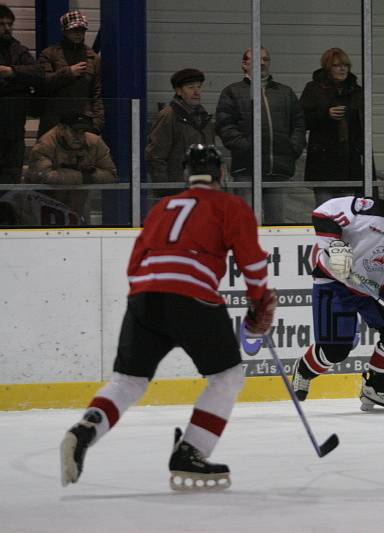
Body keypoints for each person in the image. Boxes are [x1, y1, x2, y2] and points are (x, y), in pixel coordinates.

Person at [59, 144, 278, 491]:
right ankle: (191, 452)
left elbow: (136, 260)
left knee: (128, 381)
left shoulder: (164, 205)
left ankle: (86, 428)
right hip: (192, 296)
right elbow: (252, 261)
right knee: (228, 377)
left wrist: (145, 299)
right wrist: (258, 303)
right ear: (220, 173)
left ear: (186, 174)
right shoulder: (230, 205)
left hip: (144, 295)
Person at [290, 176, 384, 412]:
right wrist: (335, 246)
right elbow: (324, 213)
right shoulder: (370, 211)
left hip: (368, 289)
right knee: (336, 350)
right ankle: (303, 371)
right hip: (333, 281)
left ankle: (375, 390)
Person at [216, 47, 305, 224]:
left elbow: (299, 124)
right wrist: (247, 149)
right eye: (257, 59)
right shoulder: (232, 92)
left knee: (277, 224)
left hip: (277, 169)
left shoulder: (285, 92)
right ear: (244, 64)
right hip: (246, 169)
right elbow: (225, 126)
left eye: (265, 59)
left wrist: (291, 149)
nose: (262, 63)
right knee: (244, 223)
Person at [299, 47, 364, 207]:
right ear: (328, 68)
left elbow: (362, 126)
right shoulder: (314, 89)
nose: (342, 69)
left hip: (349, 162)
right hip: (323, 162)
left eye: (345, 65)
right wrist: (325, 115)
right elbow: (301, 120)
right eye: (337, 65)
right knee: (326, 212)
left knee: (349, 215)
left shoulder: (356, 91)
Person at [24, 112, 117, 223]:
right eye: (74, 131)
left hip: (78, 207)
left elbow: (111, 175)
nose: (79, 136)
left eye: (83, 132)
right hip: (44, 206)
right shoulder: (45, 145)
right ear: (62, 129)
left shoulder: (95, 142)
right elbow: (43, 176)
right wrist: (84, 176)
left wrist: (84, 176)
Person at [36, 10, 103, 139]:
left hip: (82, 122)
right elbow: (42, 84)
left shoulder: (93, 58)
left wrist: (97, 124)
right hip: (54, 121)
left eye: (82, 30)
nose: (79, 33)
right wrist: (68, 73)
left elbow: (97, 93)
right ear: (64, 31)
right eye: (74, 30)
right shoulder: (49, 54)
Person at [146, 68, 215, 183]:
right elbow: (156, 156)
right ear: (179, 91)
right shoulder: (169, 116)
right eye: (191, 87)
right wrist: (164, 189)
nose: (197, 92)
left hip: (202, 186)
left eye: (199, 87)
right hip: (177, 188)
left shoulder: (204, 117)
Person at [0, 4, 43, 184]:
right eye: (2, 24)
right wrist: (19, 85)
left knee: (12, 179)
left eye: (10, 24)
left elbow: (38, 73)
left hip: (14, 130)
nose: (7, 28)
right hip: (11, 122)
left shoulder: (19, 50)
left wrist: (11, 72)